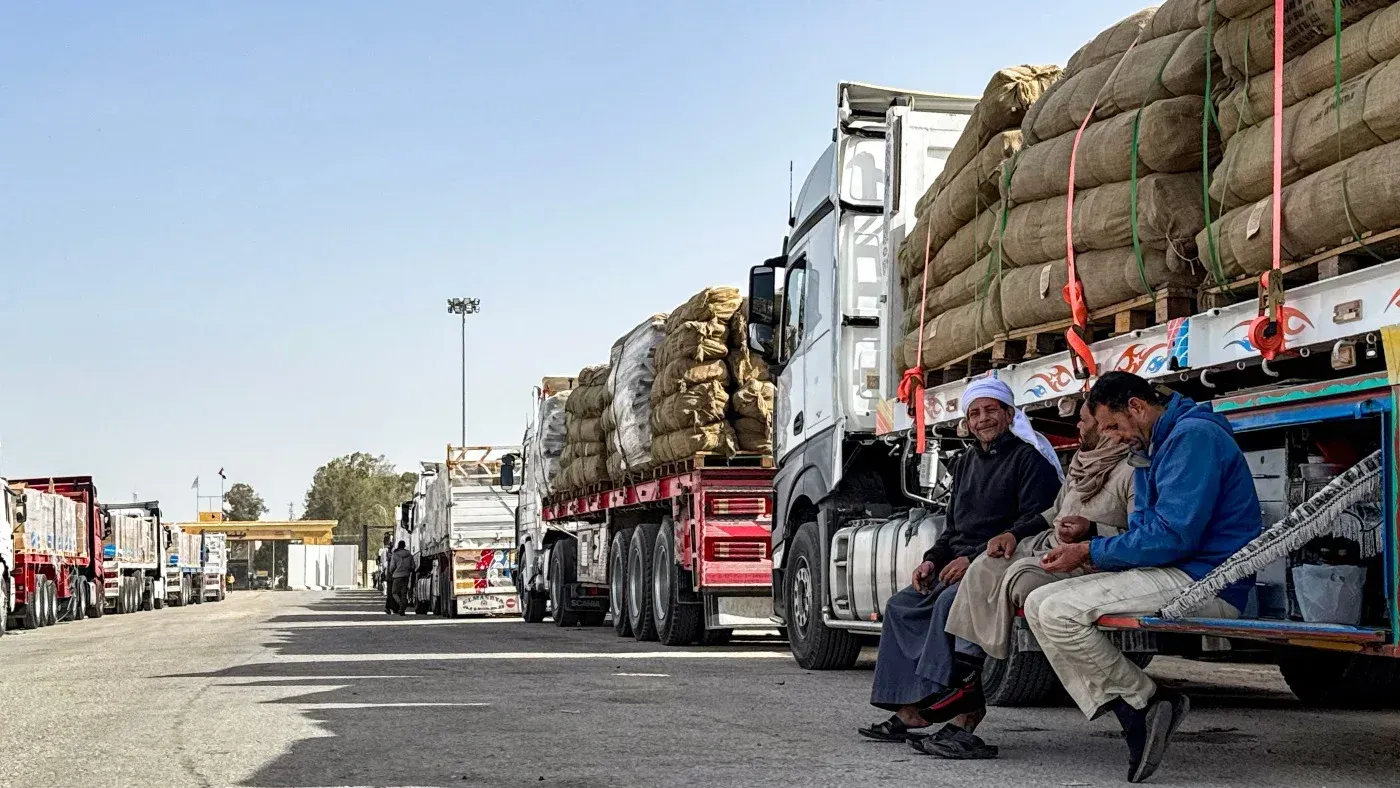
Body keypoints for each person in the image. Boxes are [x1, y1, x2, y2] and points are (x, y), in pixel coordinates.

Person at [1024, 371, 1262, 783]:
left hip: (1206, 579)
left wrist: (1091, 551)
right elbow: (1144, 532)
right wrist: (1093, 549)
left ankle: (1148, 704)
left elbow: (1172, 536)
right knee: (1036, 603)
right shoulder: (1151, 446)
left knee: (1060, 609)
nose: (1112, 438)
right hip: (1173, 570)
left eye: (1114, 426)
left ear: (1137, 406)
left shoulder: (1193, 438)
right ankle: (1141, 709)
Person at [859, 377, 1061, 754]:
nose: (983, 419)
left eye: (990, 410)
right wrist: (931, 561)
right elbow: (954, 528)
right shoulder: (966, 462)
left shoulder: (1029, 459)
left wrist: (975, 559)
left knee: (947, 605)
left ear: (1009, 413)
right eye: (974, 413)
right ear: (966, 422)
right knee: (902, 606)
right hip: (963, 561)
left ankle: (964, 716)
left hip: (1004, 560)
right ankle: (913, 711)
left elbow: (1038, 520)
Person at [945, 398, 1134, 665]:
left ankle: (987, 662)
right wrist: (1012, 535)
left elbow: (1139, 532)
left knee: (1019, 579)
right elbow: (1053, 512)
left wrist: (1091, 529)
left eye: (1084, 421)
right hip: (1049, 543)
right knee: (985, 565)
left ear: (1104, 427)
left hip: (1091, 555)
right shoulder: (1082, 462)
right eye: (974, 413)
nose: (1078, 426)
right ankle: (969, 664)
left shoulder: (1131, 470)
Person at [386, 540, 414, 616]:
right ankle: (402, 609)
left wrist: (392, 572)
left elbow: (392, 567)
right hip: (406, 576)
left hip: (397, 576)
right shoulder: (409, 554)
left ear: (398, 545)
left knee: (394, 592)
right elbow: (412, 566)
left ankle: (400, 604)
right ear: (404, 546)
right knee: (403, 593)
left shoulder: (395, 554)